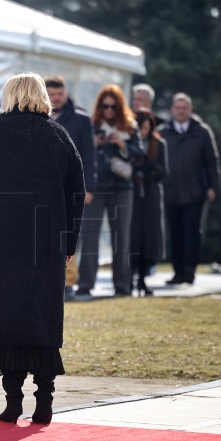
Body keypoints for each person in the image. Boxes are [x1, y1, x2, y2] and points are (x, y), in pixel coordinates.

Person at [0, 72, 85, 424]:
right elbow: (76, 196)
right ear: (43, 95)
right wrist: (69, 242)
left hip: (1, 243)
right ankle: (45, 402)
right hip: (46, 244)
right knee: (42, 321)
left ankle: (13, 402)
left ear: (9, 95)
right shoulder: (59, 136)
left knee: (6, 322)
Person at [76, 84, 141, 297]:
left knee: (121, 237)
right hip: (96, 187)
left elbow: (140, 157)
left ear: (120, 106)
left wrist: (122, 144)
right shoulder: (91, 125)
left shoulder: (130, 127)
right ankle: (85, 284)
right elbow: (80, 153)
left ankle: (122, 285)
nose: (109, 111)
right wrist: (94, 142)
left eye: (113, 107)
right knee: (90, 236)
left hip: (122, 188)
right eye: (105, 106)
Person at [159, 93, 220, 286]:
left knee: (192, 233)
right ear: (172, 110)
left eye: (184, 108)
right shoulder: (163, 131)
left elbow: (212, 161)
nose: (181, 111)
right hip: (170, 191)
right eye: (178, 108)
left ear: (190, 110)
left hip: (195, 191)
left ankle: (189, 271)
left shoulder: (202, 131)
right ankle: (177, 272)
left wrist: (213, 186)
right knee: (175, 233)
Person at [45, 76, 96, 300]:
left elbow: (89, 156)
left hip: (71, 186)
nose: (56, 98)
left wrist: (89, 187)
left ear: (66, 93)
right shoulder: (38, 118)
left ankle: (68, 282)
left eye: (59, 94)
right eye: (52, 95)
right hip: (44, 186)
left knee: (70, 234)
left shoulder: (81, 120)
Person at [130, 110, 168, 296]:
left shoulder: (158, 144)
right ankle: (128, 278)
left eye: (145, 128)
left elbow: (164, 173)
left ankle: (143, 279)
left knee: (148, 238)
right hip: (133, 195)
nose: (142, 132)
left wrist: (148, 164)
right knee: (132, 237)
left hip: (150, 196)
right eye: (139, 128)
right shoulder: (129, 143)